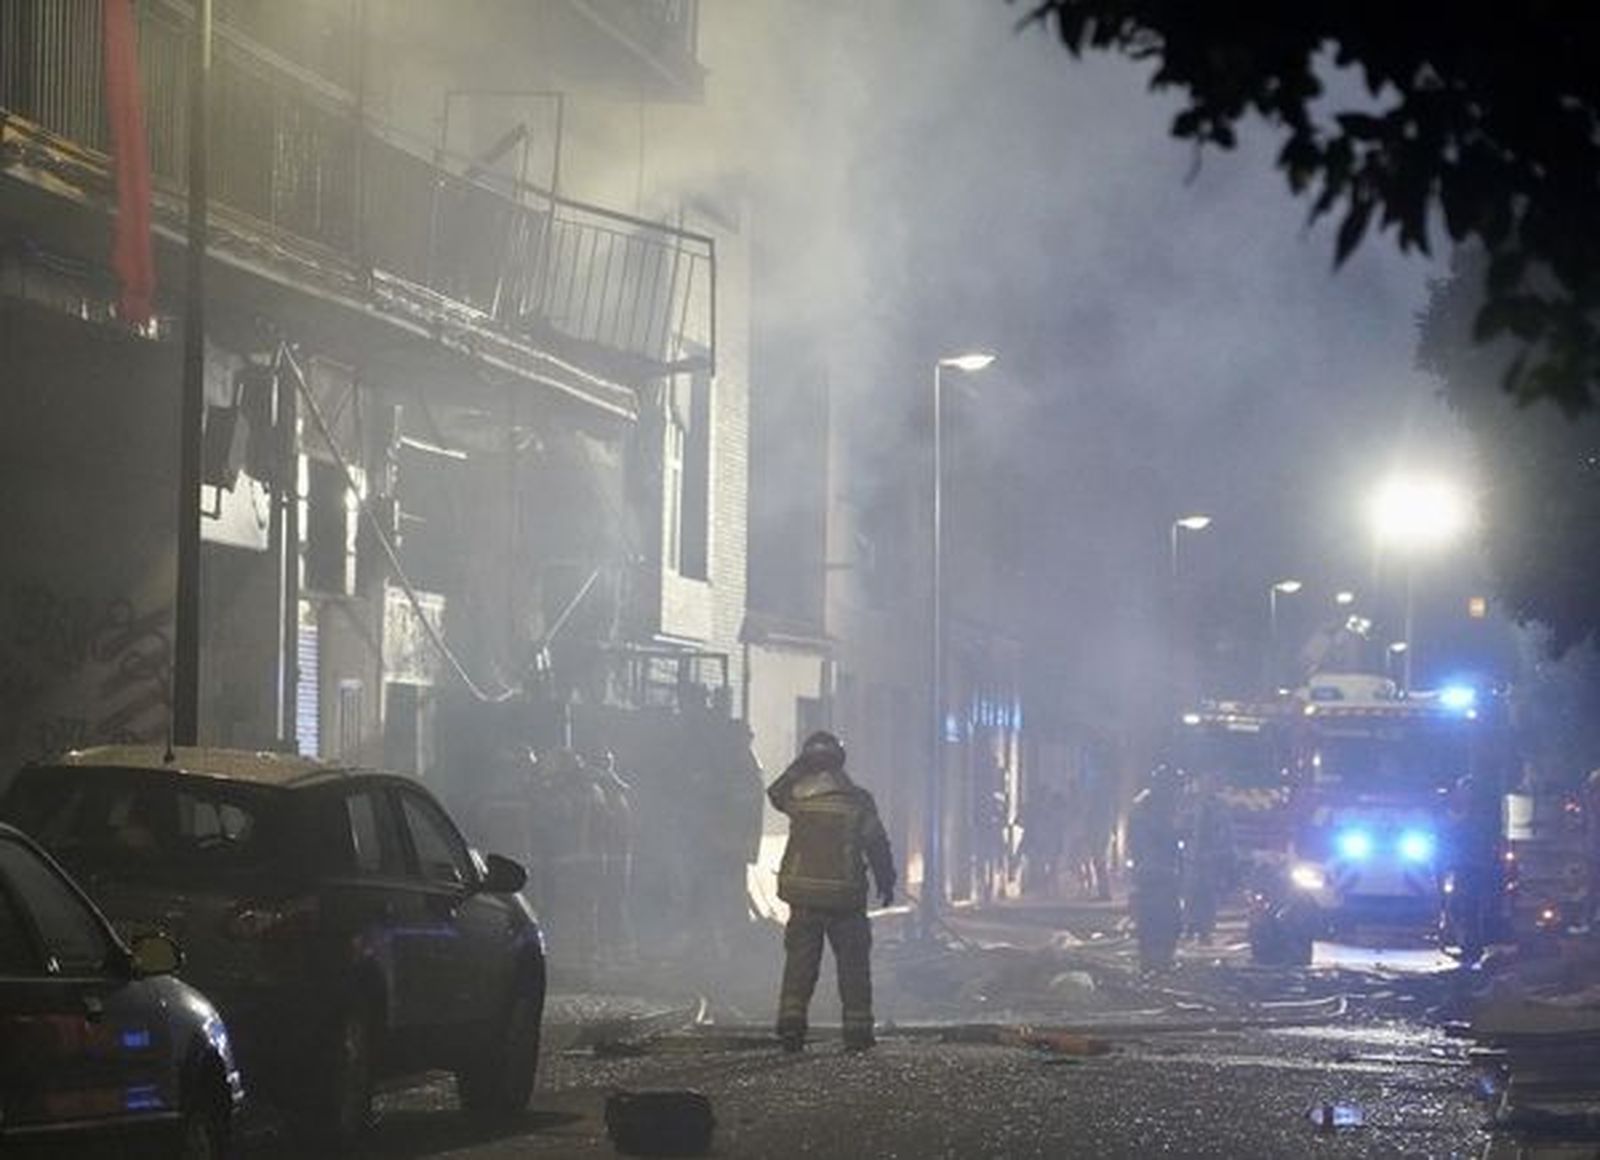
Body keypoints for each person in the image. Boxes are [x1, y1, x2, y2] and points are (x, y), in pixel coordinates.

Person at [768, 731, 896, 1053]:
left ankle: (791, 1031)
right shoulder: (858, 801)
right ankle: (857, 1034)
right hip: (845, 898)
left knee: (800, 966)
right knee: (853, 967)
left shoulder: (798, 797)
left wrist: (801, 765)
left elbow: (774, 792)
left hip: (804, 897)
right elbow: (877, 843)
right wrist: (886, 879)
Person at [1126, 763, 1184, 972]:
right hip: (1153, 878)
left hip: (1163, 878)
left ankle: (1160, 963)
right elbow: (1147, 843)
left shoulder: (1166, 809)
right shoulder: (1146, 811)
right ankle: (1152, 965)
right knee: (1153, 926)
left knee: (1168, 925)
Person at [1181, 771, 1237, 945]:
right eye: (1204, 783)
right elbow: (1183, 827)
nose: (1207, 787)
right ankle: (1190, 926)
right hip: (1192, 857)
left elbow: (1226, 832)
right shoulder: (1191, 804)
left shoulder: (1220, 807)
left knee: (1208, 895)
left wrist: (1224, 853)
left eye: (1210, 783)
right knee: (1191, 893)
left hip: (1211, 858)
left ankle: (1205, 930)